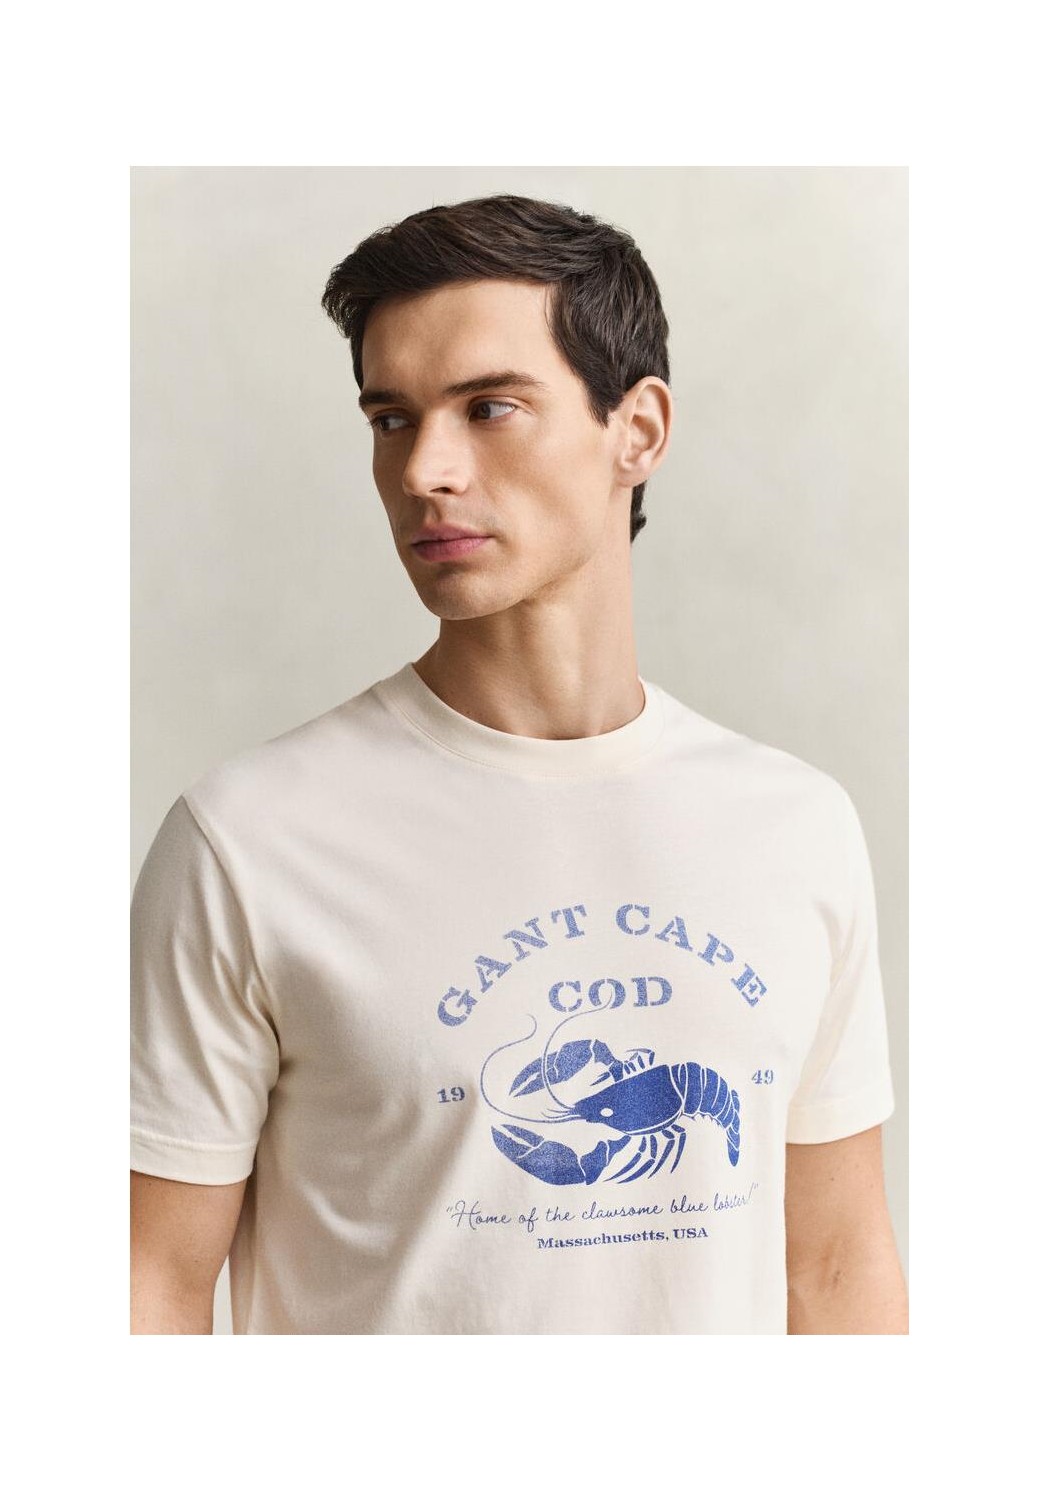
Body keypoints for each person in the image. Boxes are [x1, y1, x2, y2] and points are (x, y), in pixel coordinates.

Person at [130, 193, 908, 1335]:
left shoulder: (798, 827)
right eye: (391, 419)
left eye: (488, 407)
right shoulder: (245, 844)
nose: (424, 470)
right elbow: (145, 1285)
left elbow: (835, 1269)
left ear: (638, 430)